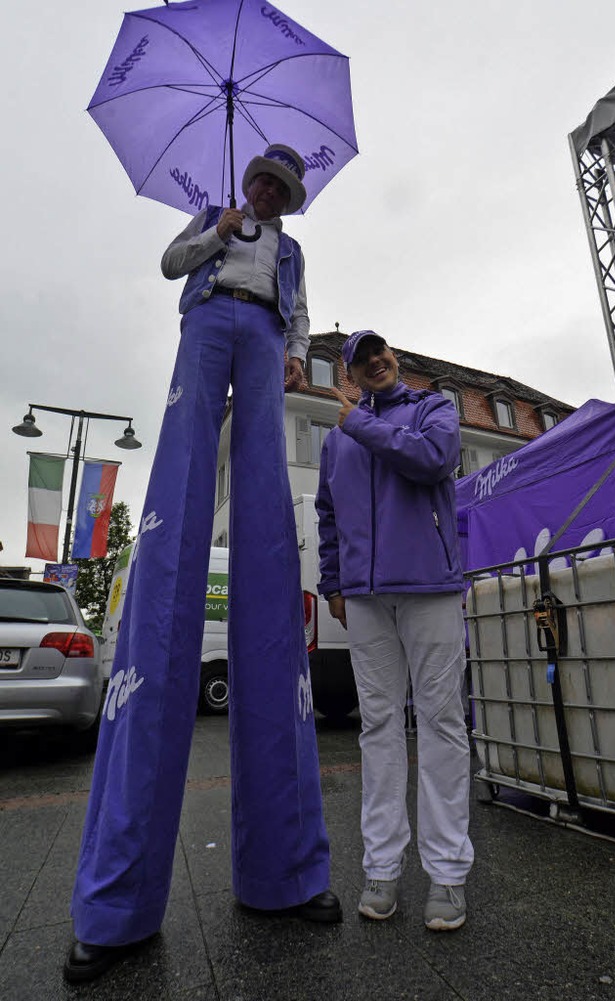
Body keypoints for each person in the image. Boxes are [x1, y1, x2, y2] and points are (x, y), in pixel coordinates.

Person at [64, 145, 341, 985]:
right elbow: (169, 264)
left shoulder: (289, 253)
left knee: (264, 548)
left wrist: (295, 348)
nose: (267, 193)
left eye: (280, 190)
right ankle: (116, 906)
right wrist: (215, 233)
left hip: (260, 338)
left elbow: (299, 315)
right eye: (261, 181)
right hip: (206, 320)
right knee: (174, 532)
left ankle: (286, 872)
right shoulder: (217, 218)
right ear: (247, 180)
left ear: (291, 200)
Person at [315, 329, 473, 930]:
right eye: (361, 359)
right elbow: (327, 513)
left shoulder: (433, 409)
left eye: (380, 353)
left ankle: (448, 875)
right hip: (366, 599)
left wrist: (361, 426)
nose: (374, 362)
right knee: (378, 726)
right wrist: (333, 583)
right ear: (350, 374)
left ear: (395, 359)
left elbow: (433, 459)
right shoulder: (336, 442)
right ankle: (382, 869)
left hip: (430, 587)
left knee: (440, 723)